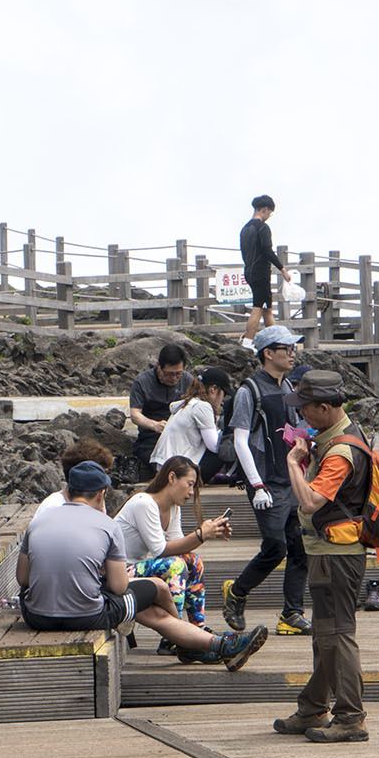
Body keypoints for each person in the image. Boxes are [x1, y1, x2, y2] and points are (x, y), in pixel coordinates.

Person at [18, 461, 267, 668]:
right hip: (87, 615)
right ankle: (206, 644)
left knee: (143, 601)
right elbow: (118, 586)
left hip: (36, 616)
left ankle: (203, 644)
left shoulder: (39, 520)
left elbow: (23, 578)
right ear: (101, 494)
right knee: (156, 592)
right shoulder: (107, 526)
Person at [273, 371, 371, 743]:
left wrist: (293, 466)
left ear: (325, 408)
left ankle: (351, 717)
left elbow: (312, 502)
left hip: (337, 554)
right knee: (324, 635)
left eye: (307, 411)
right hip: (328, 551)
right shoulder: (341, 437)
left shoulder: (342, 452)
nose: (302, 418)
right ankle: (313, 706)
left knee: (339, 634)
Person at [222, 326, 310, 638]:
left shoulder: (288, 385)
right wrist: (257, 485)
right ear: (267, 353)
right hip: (267, 483)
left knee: (300, 548)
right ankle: (237, 592)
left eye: (292, 347)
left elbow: (296, 427)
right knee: (275, 547)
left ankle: (292, 614)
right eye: (285, 348)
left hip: (291, 480)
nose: (291, 353)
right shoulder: (249, 391)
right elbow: (241, 441)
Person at [116, 456, 231, 652]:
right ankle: (172, 636)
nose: (191, 492)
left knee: (193, 561)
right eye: (189, 484)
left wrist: (210, 532)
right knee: (174, 565)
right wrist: (201, 535)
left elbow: (179, 547)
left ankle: (197, 627)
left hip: (140, 567)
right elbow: (160, 550)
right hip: (118, 572)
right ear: (171, 478)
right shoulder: (144, 503)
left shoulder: (173, 507)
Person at [154, 366, 234, 503]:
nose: (223, 400)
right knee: (228, 445)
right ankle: (232, 476)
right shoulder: (202, 406)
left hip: (165, 467)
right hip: (179, 472)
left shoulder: (187, 404)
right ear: (213, 390)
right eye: (223, 394)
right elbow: (214, 447)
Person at [128, 344, 194, 472]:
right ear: (159, 366)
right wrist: (154, 425)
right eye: (169, 374)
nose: (174, 378)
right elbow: (135, 414)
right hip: (152, 438)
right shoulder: (142, 382)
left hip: (181, 436)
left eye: (178, 374)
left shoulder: (187, 380)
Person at [239, 195, 292, 350]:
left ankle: (275, 341)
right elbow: (268, 251)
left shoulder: (245, 229)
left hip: (249, 269)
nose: (269, 216)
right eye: (269, 212)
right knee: (258, 307)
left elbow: (244, 252)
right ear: (264, 210)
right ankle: (248, 343)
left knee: (267, 308)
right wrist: (282, 269)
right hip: (260, 271)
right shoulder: (262, 227)